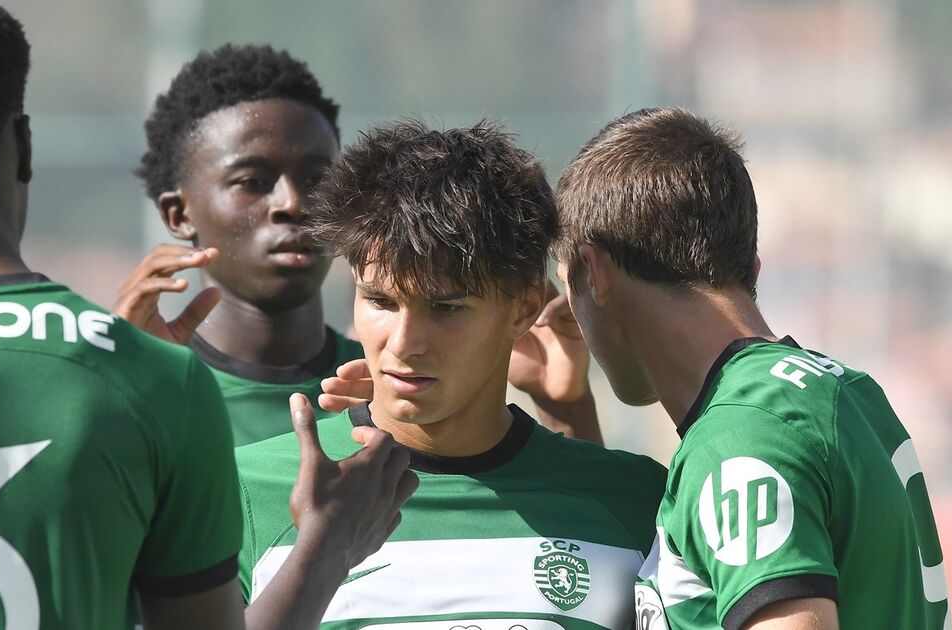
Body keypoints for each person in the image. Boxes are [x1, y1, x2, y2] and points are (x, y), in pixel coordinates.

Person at [0, 2, 411, 628]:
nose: (290, 204)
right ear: (25, 148)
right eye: (252, 179)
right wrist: (328, 547)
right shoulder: (152, 380)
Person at [235, 120, 665, 628]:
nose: (403, 344)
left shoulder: (637, 500)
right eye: (379, 301)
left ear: (525, 307)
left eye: (446, 308)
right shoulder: (245, 491)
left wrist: (568, 409)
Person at [552, 107, 951, 630]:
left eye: (567, 285)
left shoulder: (739, 437)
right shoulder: (839, 391)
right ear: (749, 268)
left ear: (595, 272)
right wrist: (568, 408)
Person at [117, 45, 603, 446]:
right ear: (178, 215)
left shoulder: (400, 379)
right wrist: (111, 395)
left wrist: (565, 407)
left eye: (317, 178)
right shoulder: (136, 385)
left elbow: (575, 516)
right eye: (253, 181)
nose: (293, 203)